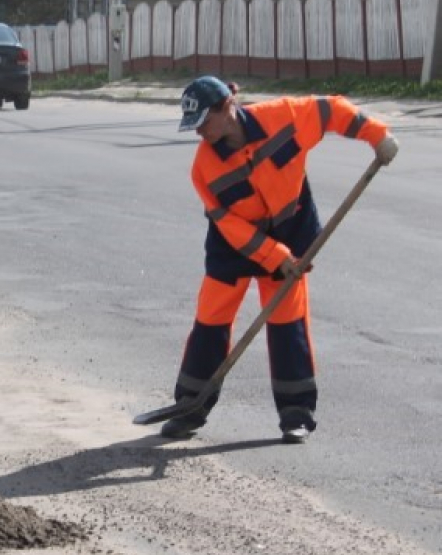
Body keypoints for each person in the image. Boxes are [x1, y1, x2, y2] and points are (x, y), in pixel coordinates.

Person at [159, 76, 400, 443]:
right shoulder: (204, 167)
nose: (198, 133)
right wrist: (274, 256)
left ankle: (296, 413)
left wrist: (377, 136)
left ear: (227, 108)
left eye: (203, 123)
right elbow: (229, 224)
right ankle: (190, 407)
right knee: (211, 320)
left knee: (288, 324)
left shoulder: (284, 117)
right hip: (234, 246)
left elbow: (332, 109)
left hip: (291, 228)